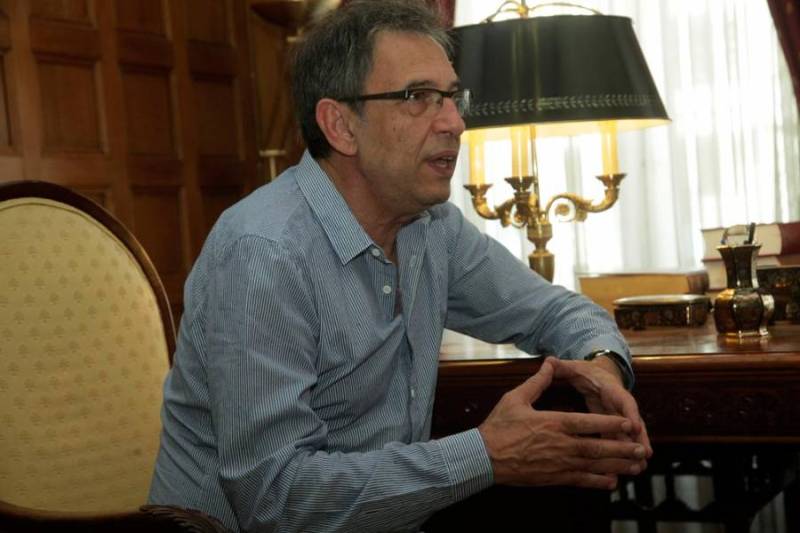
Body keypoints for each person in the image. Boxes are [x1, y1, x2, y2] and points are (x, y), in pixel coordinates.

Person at [148, 1, 651, 531]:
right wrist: (486, 455)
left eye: (452, 97)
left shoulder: (433, 227)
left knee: (570, 492)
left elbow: (556, 312)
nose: (455, 123)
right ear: (340, 126)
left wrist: (602, 365)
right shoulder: (264, 251)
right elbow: (276, 499)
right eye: (417, 97)